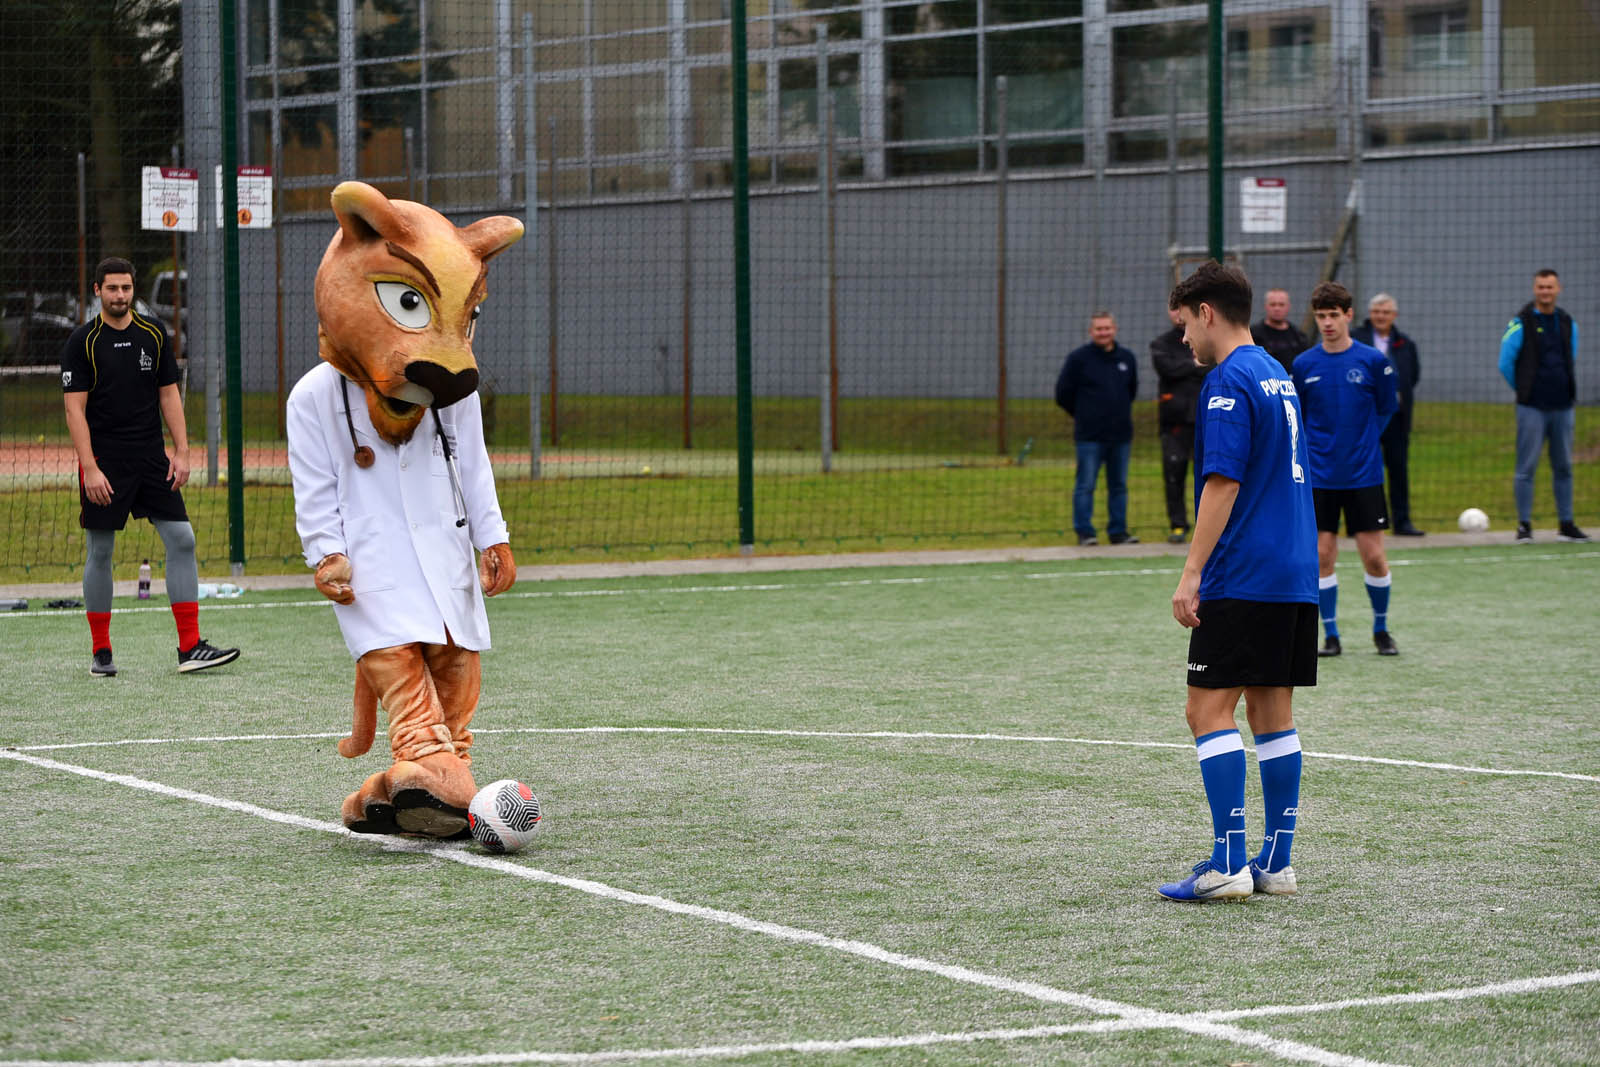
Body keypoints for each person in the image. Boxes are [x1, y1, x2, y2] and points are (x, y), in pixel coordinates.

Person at [1161, 260, 1317, 902]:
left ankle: (1227, 862)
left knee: (1206, 709)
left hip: (1244, 570)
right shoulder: (1278, 373)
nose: (1183, 339)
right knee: (1271, 709)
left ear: (1207, 313)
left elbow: (1223, 482)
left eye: (1184, 324)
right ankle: (1275, 862)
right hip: (1294, 570)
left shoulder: (1226, 380)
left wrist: (1192, 571)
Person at [60, 257, 240, 676]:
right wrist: (90, 468)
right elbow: (74, 410)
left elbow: (169, 394)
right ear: (98, 291)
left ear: (133, 289)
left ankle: (190, 647)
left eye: (126, 288)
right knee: (101, 550)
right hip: (105, 462)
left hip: (152, 458)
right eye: (112, 288)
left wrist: (182, 451)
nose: (120, 295)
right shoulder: (82, 342)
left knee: (182, 540)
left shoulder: (154, 333)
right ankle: (101, 652)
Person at [1291, 281, 1400, 657]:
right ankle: (1331, 636)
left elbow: (1386, 410)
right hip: (1320, 476)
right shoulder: (1304, 365)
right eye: (1321, 316)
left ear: (1349, 315)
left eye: (1333, 315)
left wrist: (1363, 442)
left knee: (1374, 557)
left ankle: (1381, 630)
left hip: (1363, 475)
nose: (1327, 323)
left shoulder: (1373, 361)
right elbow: (1299, 417)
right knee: (1322, 555)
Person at [1498, 269, 1588, 544]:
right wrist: (1525, 389)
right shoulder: (1520, 322)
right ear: (1534, 289)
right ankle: (1524, 526)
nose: (1545, 292)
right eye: (1541, 287)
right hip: (1532, 407)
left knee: (1563, 467)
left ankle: (1566, 524)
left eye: (1550, 287)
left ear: (1558, 289)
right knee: (1526, 467)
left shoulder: (1567, 322)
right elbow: (1505, 362)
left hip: (1563, 406)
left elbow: (1571, 356)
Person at [1055, 311, 1139, 546]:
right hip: (1089, 437)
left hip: (1120, 435)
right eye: (1099, 329)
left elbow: (1131, 390)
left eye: (1107, 328)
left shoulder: (1127, 358)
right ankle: (1085, 532)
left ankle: (1118, 532)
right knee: (1085, 485)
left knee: (1119, 486)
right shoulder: (1078, 359)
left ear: (1115, 329)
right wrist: (1084, 414)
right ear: (1091, 332)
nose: (1103, 333)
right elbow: (1062, 394)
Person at [1353, 294, 1425, 536]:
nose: (1380, 316)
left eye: (1385, 312)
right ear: (1370, 314)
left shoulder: (1405, 344)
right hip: (1364, 417)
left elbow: (1412, 376)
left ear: (1394, 315)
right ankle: (1362, 522)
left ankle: (1402, 522)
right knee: (1363, 468)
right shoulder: (1357, 339)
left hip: (1396, 417)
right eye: (1376, 312)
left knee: (1398, 468)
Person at [1150, 305, 1212, 543]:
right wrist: (1193, 365)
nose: (1178, 315)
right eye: (1174, 310)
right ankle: (1178, 525)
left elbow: (1210, 366)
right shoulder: (1161, 343)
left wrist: (1187, 367)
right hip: (1174, 421)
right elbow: (1167, 369)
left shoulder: (1205, 339)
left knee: (1209, 475)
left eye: (1182, 310)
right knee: (1174, 474)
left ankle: (1207, 526)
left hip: (1204, 419)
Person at [1251, 287, 1309, 372]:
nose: (1277, 308)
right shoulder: (1253, 335)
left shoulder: (1299, 337)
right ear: (1266, 306)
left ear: (1288, 307)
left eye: (1281, 305)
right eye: (1273, 304)